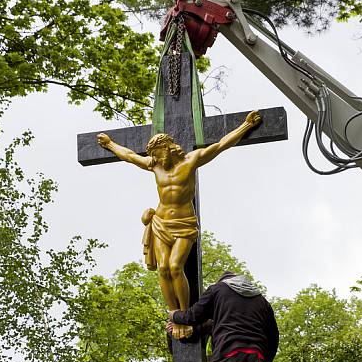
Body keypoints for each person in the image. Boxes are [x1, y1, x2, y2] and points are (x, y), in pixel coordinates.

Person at [97, 111, 262, 339]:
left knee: (175, 267)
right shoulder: (154, 165)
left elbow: (222, 145)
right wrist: (110, 144)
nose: (156, 159)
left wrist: (245, 126)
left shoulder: (191, 161)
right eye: (153, 155)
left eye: (158, 153)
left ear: (169, 147)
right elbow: (128, 156)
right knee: (163, 269)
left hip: (184, 222)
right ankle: (173, 314)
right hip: (162, 222)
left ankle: (184, 314)